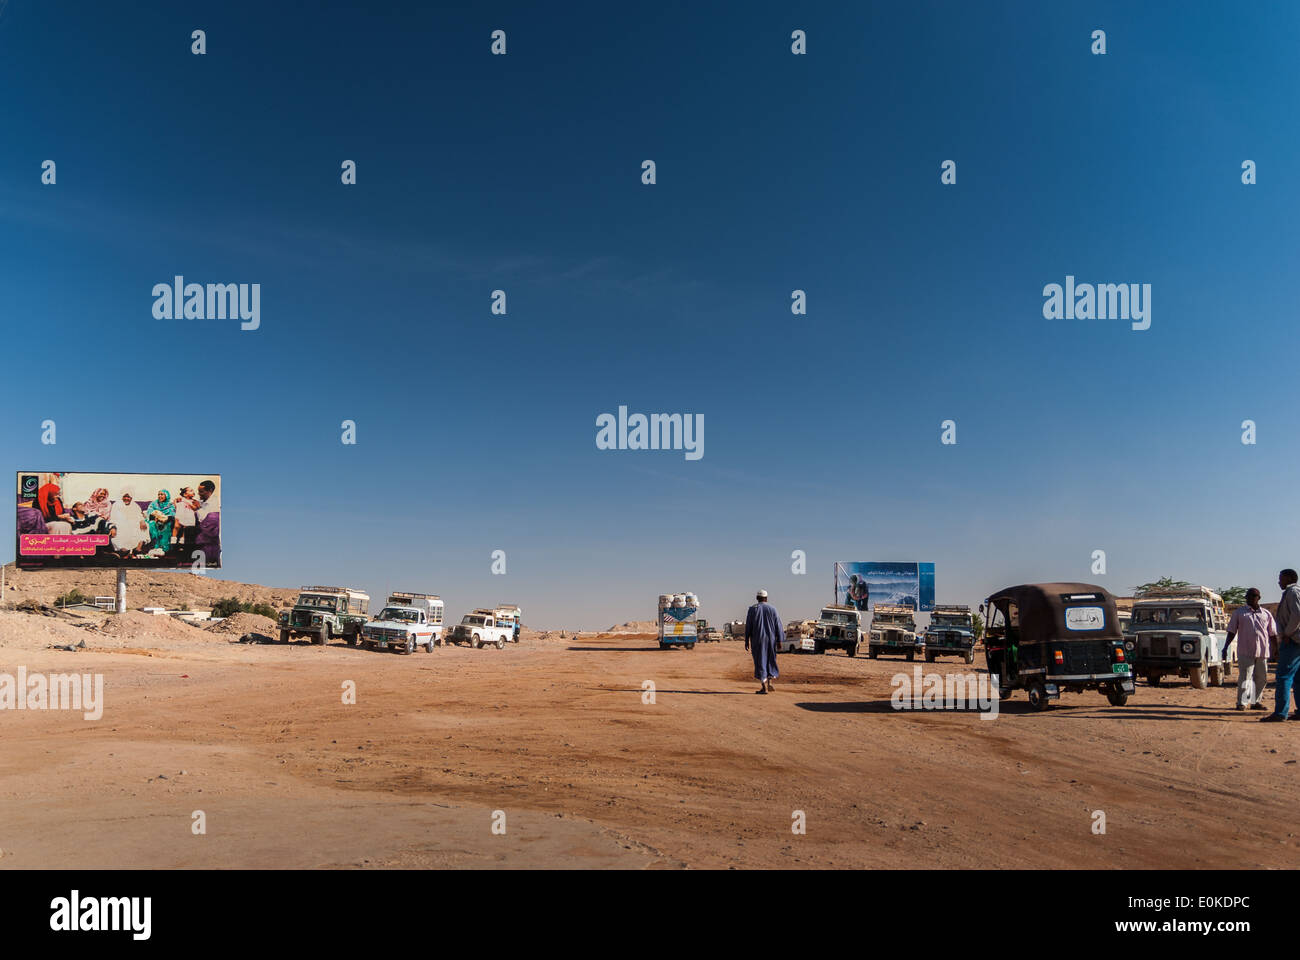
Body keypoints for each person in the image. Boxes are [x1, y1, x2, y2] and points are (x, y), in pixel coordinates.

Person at [1226, 588, 1275, 711]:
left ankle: (1255, 701)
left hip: (1262, 651)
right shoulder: (1239, 613)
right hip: (1245, 651)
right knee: (1245, 678)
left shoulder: (1266, 614)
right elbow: (1232, 631)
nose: (1250, 598)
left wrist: (1276, 649)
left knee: (1261, 678)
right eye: (1248, 596)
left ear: (1259, 597)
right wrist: (1226, 646)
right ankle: (1241, 703)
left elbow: (1272, 634)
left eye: (1253, 595)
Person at [1262, 569, 1300, 722]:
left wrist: (1287, 634)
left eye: (1281, 578)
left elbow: (1297, 614)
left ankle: (1280, 713)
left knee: (1283, 676)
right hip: (1296, 640)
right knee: (1297, 678)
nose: (1279, 582)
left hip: (1293, 640)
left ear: (1289, 578)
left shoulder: (1292, 592)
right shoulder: (1292, 593)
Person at [744, 589, 782, 694]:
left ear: (757, 598)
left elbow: (748, 626)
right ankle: (770, 683)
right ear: (766, 598)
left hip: (758, 639)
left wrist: (746, 640)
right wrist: (779, 640)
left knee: (760, 661)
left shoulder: (752, 609)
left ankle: (764, 687)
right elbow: (778, 625)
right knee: (770, 659)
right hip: (771, 639)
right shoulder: (773, 609)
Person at [109, 490, 147, 558]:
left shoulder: (135, 505)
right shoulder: (116, 505)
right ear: (122, 497)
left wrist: (142, 521)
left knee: (144, 526)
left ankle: (138, 548)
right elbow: (113, 518)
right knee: (119, 531)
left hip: (133, 524)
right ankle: (124, 550)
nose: (126, 498)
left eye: (128, 497)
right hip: (120, 524)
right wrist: (113, 527)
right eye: (125, 496)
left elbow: (139, 515)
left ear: (131, 498)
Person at [142, 490, 176, 555]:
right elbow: (150, 512)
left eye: (162, 494)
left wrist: (163, 518)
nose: (160, 496)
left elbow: (172, 515)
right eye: (159, 494)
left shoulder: (170, 504)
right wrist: (155, 516)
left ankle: (164, 548)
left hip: (166, 520)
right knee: (152, 524)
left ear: (166, 496)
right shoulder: (154, 503)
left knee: (166, 525)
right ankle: (155, 547)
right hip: (154, 519)